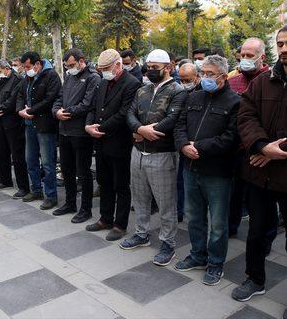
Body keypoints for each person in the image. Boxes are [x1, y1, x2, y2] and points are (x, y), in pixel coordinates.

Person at [231, 27, 287, 307]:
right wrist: (262, 146)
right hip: (259, 172)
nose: (285, 48)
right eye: (280, 43)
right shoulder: (264, 81)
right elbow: (246, 117)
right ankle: (254, 279)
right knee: (256, 231)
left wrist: (278, 153)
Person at [173, 55, 240, 286]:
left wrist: (198, 147)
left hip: (217, 172)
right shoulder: (194, 96)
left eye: (210, 74)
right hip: (190, 168)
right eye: (203, 73)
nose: (205, 78)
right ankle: (198, 255)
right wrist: (183, 145)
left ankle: (215, 263)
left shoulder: (234, 101)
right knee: (194, 217)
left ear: (223, 76)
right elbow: (180, 124)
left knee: (218, 223)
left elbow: (231, 138)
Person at [122, 49, 187, 266]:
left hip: (162, 154)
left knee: (166, 202)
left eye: (154, 67)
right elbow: (129, 113)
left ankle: (168, 243)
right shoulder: (143, 89)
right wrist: (141, 130)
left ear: (168, 67)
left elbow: (173, 118)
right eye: (148, 66)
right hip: (138, 151)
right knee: (139, 197)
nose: (150, 71)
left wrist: (148, 131)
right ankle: (141, 233)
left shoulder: (177, 91)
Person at [85, 49, 141, 240]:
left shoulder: (132, 83)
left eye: (107, 68)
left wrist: (99, 128)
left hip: (119, 142)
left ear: (118, 65)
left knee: (121, 184)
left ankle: (120, 224)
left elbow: (124, 113)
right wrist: (89, 125)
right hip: (100, 141)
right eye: (101, 69)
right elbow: (94, 107)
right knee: (104, 181)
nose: (103, 72)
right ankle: (105, 218)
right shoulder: (103, 82)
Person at [228, 38, 271, 238]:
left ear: (261, 57)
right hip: (233, 151)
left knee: (261, 205)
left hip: (259, 153)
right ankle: (231, 227)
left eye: (249, 56)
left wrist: (263, 148)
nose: (244, 59)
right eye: (242, 55)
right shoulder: (233, 81)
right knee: (233, 196)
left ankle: (263, 239)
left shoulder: (272, 80)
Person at [51, 48, 100, 223]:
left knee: (83, 172)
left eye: (72, 65)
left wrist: (67, 112)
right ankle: (70, 203)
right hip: (64, 130)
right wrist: (56, 111)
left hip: (80, 133)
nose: (69, 68)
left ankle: (85, 209)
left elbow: (87, 104)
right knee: (66, 169)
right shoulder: (70, 77)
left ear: (81, 61)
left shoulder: (93, 77)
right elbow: (60, 97)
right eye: (67, 65)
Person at [16, 51, 61, 210]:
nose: (25, 69)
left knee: (48, 163)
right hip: (29, 124)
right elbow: (20, 95)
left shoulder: (51, 76)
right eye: (23, 67)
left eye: (27, 66)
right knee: (30, 159)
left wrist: (31, 111)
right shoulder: (27, 77)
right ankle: (36, 189)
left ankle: (51, 195)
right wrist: (20, 110)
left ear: (37, 64)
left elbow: (50, 99)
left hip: (44, 124)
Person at [0, 60, 30, 196]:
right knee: (1, 153)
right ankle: (5, 181)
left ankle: (23, 186)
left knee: (17, 156)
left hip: (13, 123)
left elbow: (12, 101)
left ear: (7, 69)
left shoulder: (17, 80)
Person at [176, 62, 202, 222]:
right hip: (183, 145)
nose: (184, 84)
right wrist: (183, 143)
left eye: (188, 80)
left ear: (197, 77)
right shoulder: (179, 93)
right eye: (182, 80)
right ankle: (179, 210)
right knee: (180, 181)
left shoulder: (205, 93)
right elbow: (178, 122)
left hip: (199, 146)